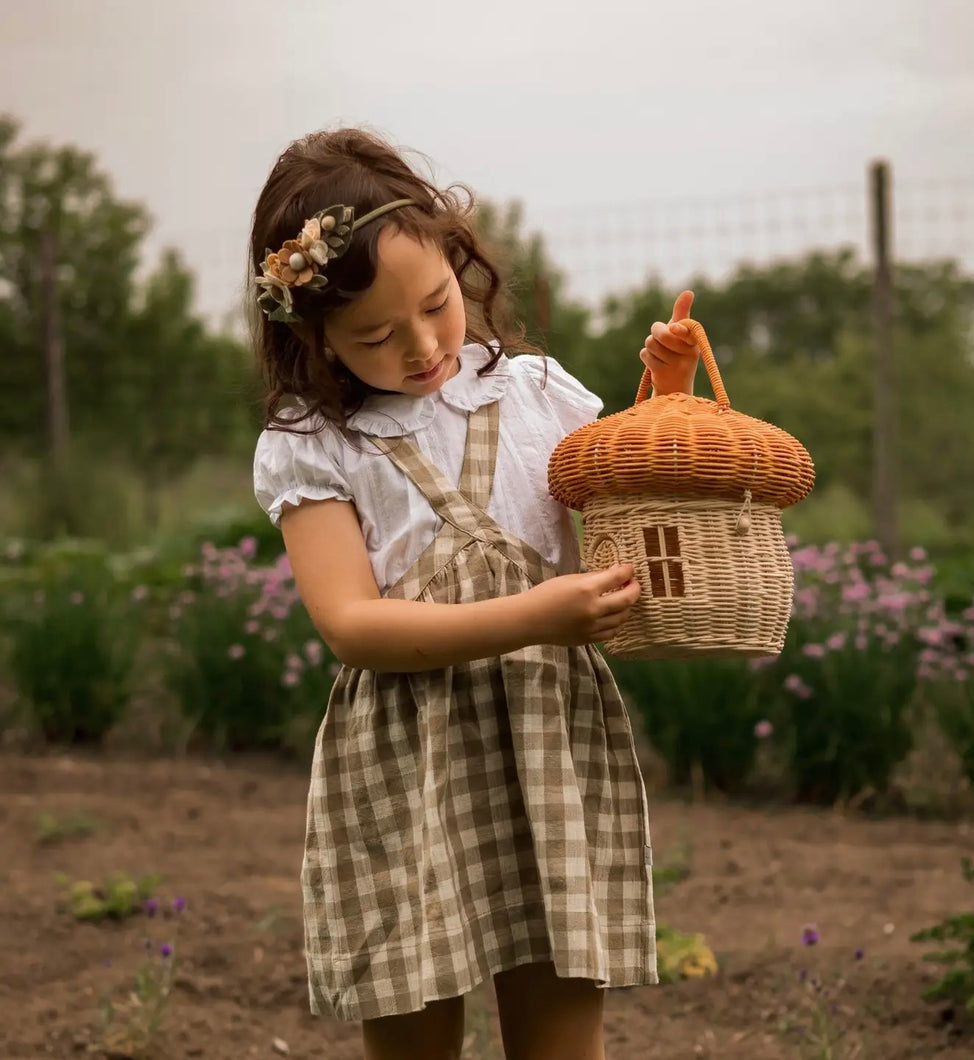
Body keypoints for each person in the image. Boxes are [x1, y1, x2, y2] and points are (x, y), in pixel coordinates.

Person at [250, 127, 700, 1060]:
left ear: (460, 263)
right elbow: (352, 625)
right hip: (410, 758)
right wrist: (541, 614)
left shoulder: (534, 392)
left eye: (437, 305)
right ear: (315, 336)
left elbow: (625, 489)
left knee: (560, 1004)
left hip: (545, 734)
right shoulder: (317, 443)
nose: (421, 347)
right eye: (375, 336)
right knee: (415, 1010)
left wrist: (665, 393)